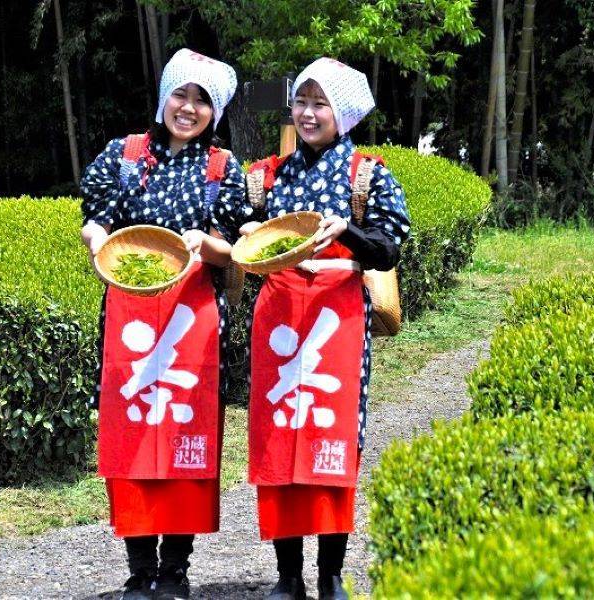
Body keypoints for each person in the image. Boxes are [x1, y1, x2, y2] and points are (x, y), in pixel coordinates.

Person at [214, 57, 410, 600]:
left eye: (320, 103)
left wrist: (348, 230)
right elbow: (226, 228)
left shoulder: (366, 175)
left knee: (332, 442)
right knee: (280, 440)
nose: (307, 113)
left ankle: (329, 575)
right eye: (301, 101)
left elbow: (390, 247)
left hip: (338, 317)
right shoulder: (263, 177)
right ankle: (286, 576)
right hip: (278, 314)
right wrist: (247, 229)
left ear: (342, 113)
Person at [79, 48, 243, 600]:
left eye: (202, 100)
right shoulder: (122, 156)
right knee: (132, 440)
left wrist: (207, 244)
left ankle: (174, 568)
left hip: (192, 323)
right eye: (181, 94)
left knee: (183, 442)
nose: (188, 108)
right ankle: (137, 569)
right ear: (163, 97)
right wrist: (97, 239)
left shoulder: (222, 168)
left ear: (214, 112)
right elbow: (96, 220)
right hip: (129, 319)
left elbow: (236, 248)